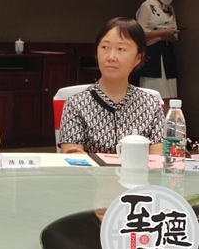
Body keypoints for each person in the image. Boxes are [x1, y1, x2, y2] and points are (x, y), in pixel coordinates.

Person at [59, 17, 164, 154]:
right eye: (105, 47)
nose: (111, 57)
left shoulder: (151, 105)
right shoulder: (76, 104)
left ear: (138, 57)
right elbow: (72, 159)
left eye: (121, 49)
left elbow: (157, 159)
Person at [136, 0, 181, 108]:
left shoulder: (169, 8)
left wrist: (159, 37)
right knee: (153, 93)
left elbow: (174, 34)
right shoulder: (147, 6)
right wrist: (163, 32)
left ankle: (167, 119)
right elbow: (140, 31)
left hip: (166, 50)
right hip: (152, 51)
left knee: (169, 94)